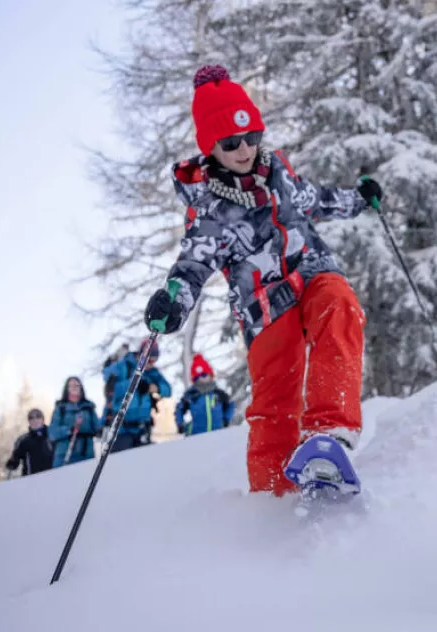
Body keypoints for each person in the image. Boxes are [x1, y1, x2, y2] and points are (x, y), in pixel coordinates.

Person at [143, 64, 383, 496]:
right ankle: (272, 506)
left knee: (339, 303)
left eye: (251, 136)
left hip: (311, 271)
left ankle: (329, 435)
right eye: (231, 142)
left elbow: (319, 200)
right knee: (275, 401)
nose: (244, 150)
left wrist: (359, 199)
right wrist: (173, 300)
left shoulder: (280, 172)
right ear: (209, 146)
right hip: (263, 305)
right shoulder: (208, 208)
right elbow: (193, 263)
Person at [102, 336, 171, 451]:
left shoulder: (152, 372)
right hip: (121, 429)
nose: (151, 364)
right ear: (141, 355)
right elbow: (110, 385)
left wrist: (156, 388)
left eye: (154, 360)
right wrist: (135, 384)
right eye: (149, 360)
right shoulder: (124, 365)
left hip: (143, 428)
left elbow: (168, 390)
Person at [175, 354, 234, 437]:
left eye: (204, 375)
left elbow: (230, 404)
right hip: (196, 435)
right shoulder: (191, 395)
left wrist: (226, 419)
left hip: (218, 433)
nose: (201, 379)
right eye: (197, 377)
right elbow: (180, 408)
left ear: (210, 375)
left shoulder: (218, 393)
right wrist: (180, 423)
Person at [49, 377, 102, 467]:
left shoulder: (89, 407)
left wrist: (100, 430)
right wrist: (69, 430)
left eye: (77, 385)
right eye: (71, 386)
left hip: (86, 454)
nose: (74, 388)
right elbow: (53, 432)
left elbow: (97, 428)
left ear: (81, 388)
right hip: (64, 455)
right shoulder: (60, 408)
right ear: (66, 389)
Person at [5, 408, 54, 476]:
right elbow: (15, 458)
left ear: (43, 420)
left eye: (38, 417)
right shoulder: (23, 440)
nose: (35, 420)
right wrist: (12, 462)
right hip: (31, 478)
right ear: (29, 421)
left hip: (52, 476)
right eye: (31, 418)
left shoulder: (52, 436)